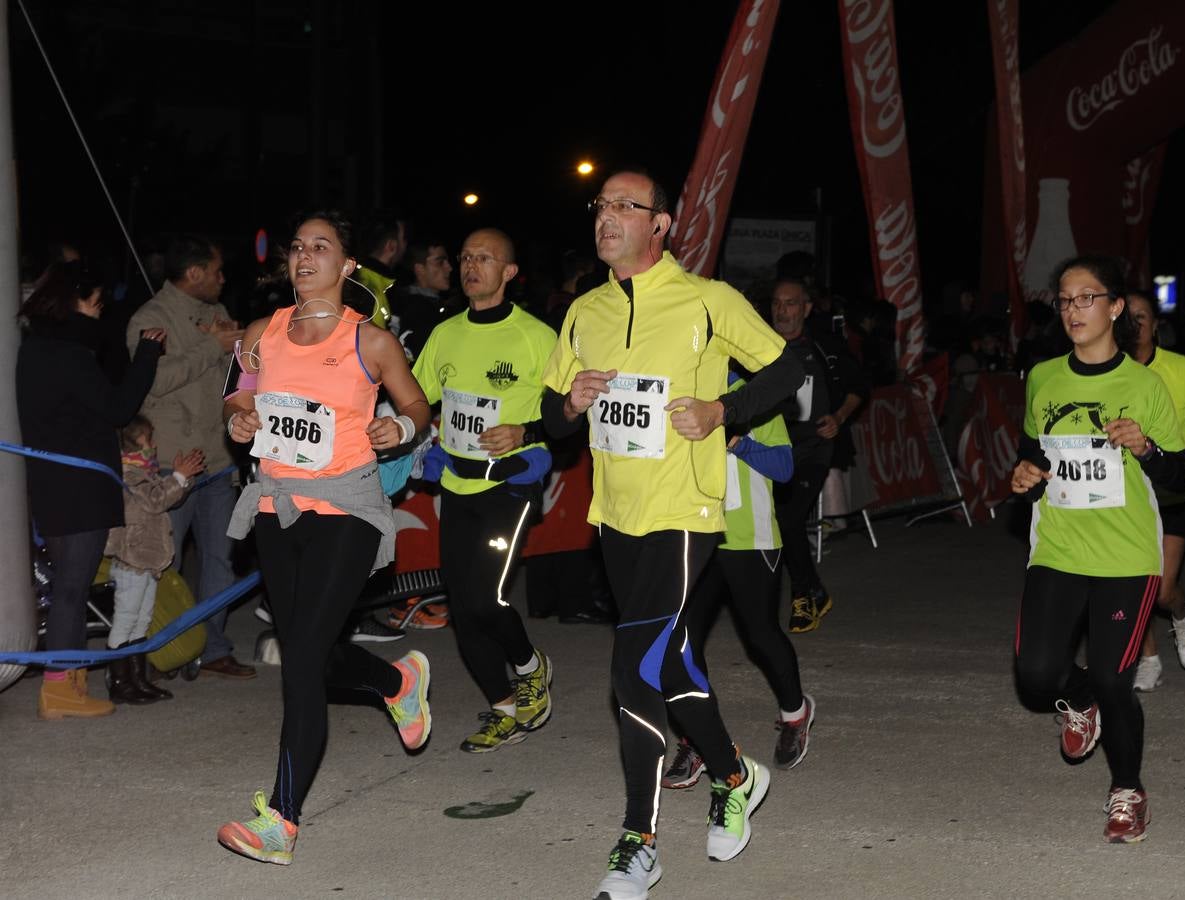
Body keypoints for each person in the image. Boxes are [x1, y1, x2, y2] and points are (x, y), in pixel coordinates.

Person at [540, 168, 804, 900]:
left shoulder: (707, 299)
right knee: (675, 664)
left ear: (659, 225)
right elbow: (554, 414)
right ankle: (733, 776)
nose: (608, 217)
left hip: (685, 513)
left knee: (634, 671)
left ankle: (638, 841)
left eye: (626, 206)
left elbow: (789, 370)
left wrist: (724, 410)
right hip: (616, 517)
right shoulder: (583, 310)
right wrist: (569, 399)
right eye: (601, 206)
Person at [216, 210, 433, 864]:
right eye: (297, 248)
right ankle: (395, 684)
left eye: (321, 247)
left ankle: (281, 821)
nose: (305, 256)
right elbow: (237, 397)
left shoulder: (372, 343)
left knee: (302, 662)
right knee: (307, 648)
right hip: (276, 508)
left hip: (348, 509)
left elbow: (419, 407)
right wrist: (239, 418)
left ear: (347, 267)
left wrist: (402, 428)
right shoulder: (262, 333)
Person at [1009, 255, 1185, 844]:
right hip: (1058, 547)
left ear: (1115, 307)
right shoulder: (1042, 377)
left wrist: (1147, 450)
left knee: (1118, 680)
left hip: (1125, 556)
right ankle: (1077, 696)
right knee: (1036, 678)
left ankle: (1127, 790)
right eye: (1064, 300)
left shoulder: (1144, 386)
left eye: (1086, 299)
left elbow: (1180, 477)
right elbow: (1033, 450)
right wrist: (1025, 474)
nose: (1073, 311)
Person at [409, 227, 557, 752]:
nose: (471, 266)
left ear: (509, 272)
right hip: (456, 486)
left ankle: (529, 665)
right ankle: (502, 708)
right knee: (462, 604)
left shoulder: (537, 337)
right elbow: (417, 398)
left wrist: (527, 432)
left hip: (509, 487)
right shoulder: (445, 334)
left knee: (486, 598)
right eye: (465, 257)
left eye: (485, 258)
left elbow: (569, 416)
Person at [17, 261, 165, 719]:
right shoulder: (69, 355)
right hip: (79, 486)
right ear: (76, 301)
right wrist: (147, 355)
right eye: (97, 303)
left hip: (53, 483)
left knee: (70, 585)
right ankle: (60, 688)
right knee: (72, 588)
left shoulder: (34, 349)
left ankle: (69, 682)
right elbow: (118, 409)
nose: (101, 313)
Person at [662, 373, 815, 792]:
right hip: (695, 533)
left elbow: (784, 468)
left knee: (760, 635)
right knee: (683, 641)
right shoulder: (679, 384)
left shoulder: (753, 396)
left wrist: (735, 441)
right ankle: (698, 738)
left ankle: (795, 714)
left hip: (750, 538)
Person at [128, 234, 254, 680]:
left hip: (218, 458)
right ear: (195, 272)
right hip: (171, 462)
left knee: (221, 560)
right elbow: (153, 383)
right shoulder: (151, 317)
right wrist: (211, 348)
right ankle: (166, 649)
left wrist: (238, 349)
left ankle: (212, 646)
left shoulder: (217, 315)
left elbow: (236, 378)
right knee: (165, 562)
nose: (223, 279)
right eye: (217, 271)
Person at [1124, 292, 1185, 691]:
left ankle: (1182, 615)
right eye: (1127, 317)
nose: (1134, 324)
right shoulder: (1113, 373)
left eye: (1141, 316)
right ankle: (1149, 657)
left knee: (1161, 591)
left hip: (1174, 491)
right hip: (1125, 493)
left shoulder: (1183, 368)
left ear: (1157, 323)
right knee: (1133, 583)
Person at [768, 276, 869, 633]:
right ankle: (814, 589)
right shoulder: (758, 345)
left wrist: (838, 418)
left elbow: (859, 386)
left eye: (791, 303)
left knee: (789, 519)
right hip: (770, 452)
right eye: (778, 303)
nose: (783, 311)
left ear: (807, 309)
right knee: (774, 524)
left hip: (813, 451)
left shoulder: (824, 347)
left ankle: (803, 596)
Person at [103, 415, 205, 704]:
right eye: (149, 440)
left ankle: (138, 678)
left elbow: (167, 495)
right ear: (133, 447)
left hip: (148, 561)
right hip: (132, 560)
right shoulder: (127, 474)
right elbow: (156, 499)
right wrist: (178, 476)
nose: (154, 445)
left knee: (143, 619)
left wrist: (183, 478)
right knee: (125, 620)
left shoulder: (145, 473)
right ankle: (120, 682)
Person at [390, 237, 458, 360]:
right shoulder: (416, 310)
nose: (449, 268)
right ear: (420, 269)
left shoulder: (434, 306)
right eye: (440, 262)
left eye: (447, 261)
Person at [353, 210, 407, 329]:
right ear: (391, 246)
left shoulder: (355, 277)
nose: (405, 246)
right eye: (403, 239)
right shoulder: (372, 292)